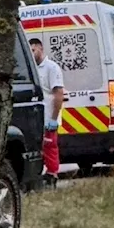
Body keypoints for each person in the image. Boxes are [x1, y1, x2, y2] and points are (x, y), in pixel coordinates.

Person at [29, 37, 64, 188]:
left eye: (33, 50)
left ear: (40, 48)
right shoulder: (32, 68)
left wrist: (53, 119)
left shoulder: (51, 68)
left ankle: (52, 175)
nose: (32, 53)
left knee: (50, 147)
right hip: (36, 116)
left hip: (49, 116)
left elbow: (58, 94)